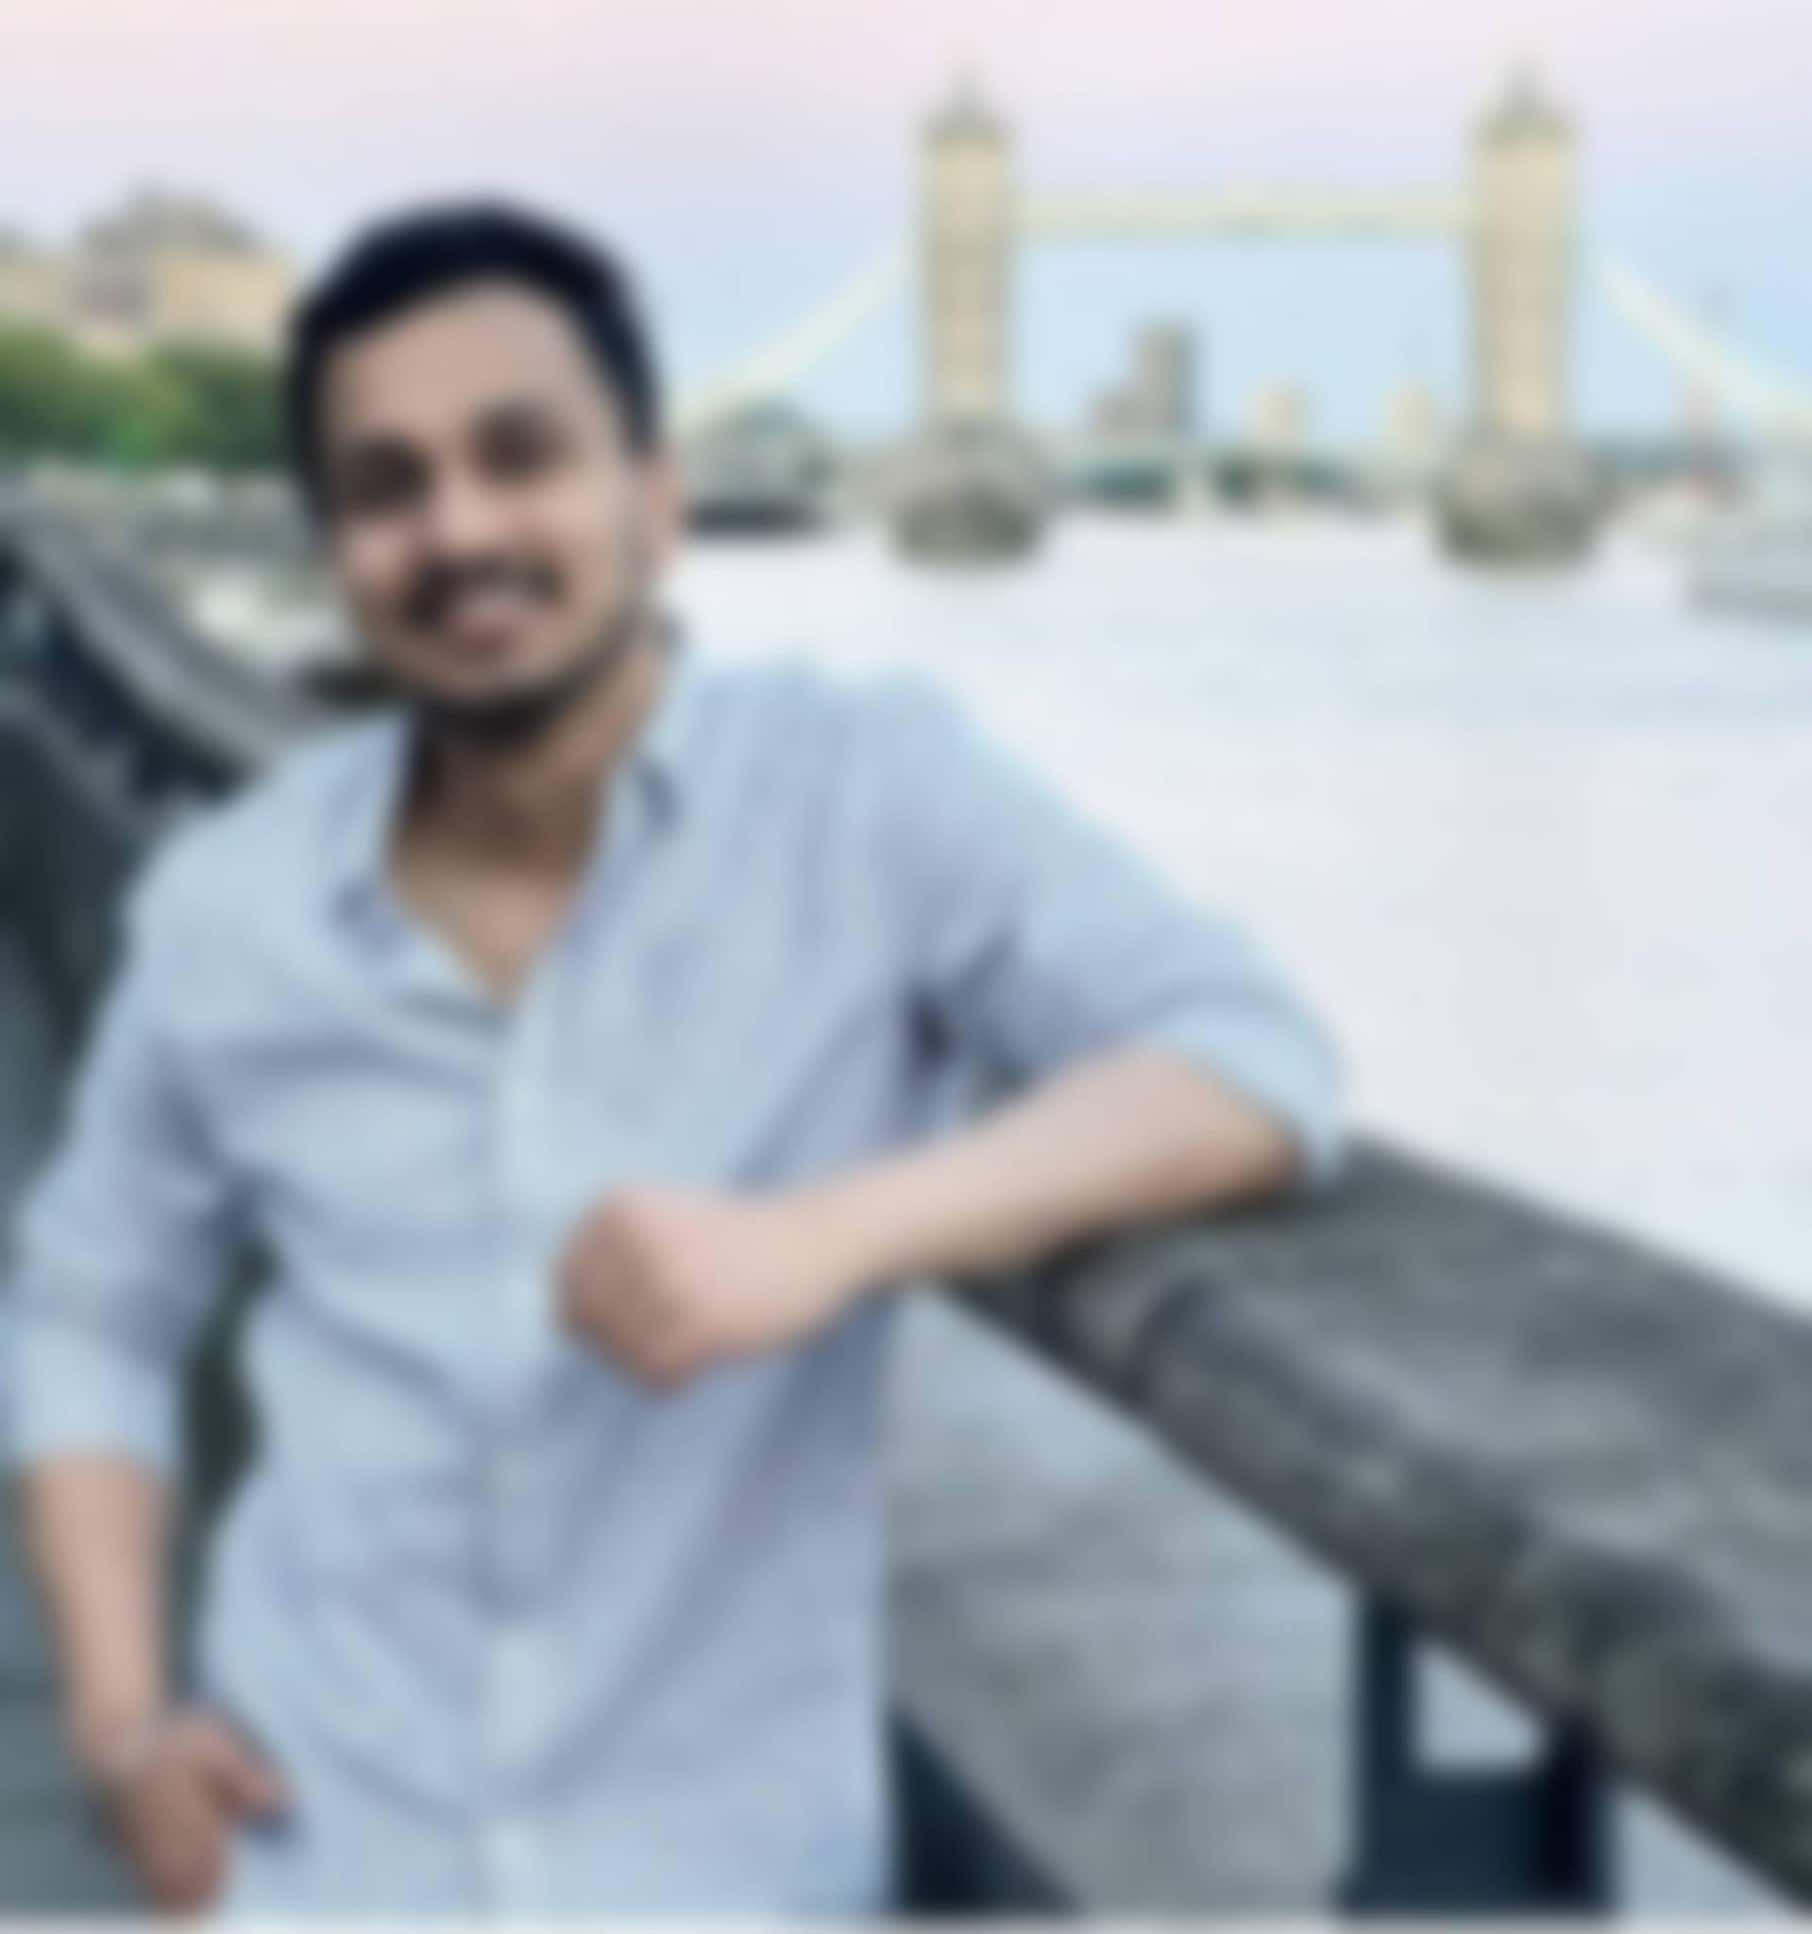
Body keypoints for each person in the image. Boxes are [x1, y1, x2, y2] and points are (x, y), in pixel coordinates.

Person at [1, 201, 1346, 1917]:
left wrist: (827, 1235)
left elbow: (1251, 1056)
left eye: (521, 456)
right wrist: (120, 1723)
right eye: (389, 486)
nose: (459, 528)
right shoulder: (232, 901)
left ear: (656, 496)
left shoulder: (867, 796)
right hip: (309, 1855)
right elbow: (92, 1307)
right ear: (336, 548)